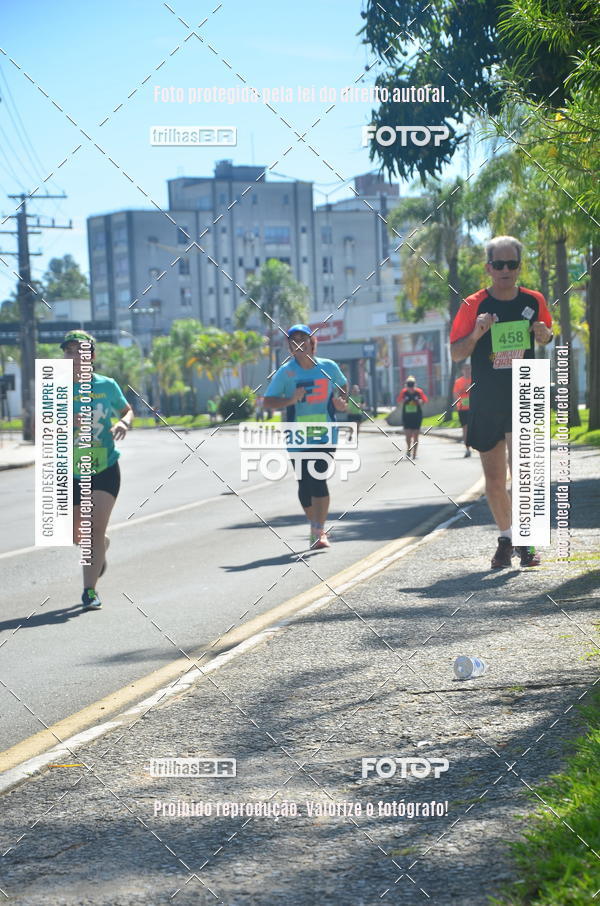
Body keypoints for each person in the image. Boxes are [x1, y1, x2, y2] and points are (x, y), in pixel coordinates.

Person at [449, 235, 553, 569]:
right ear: (488, 267)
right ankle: (507, 539)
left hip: (526, 392)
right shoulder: (472, 304)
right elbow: (455, 353)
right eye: (499, 264)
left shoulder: (534, 300)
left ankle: (529, 543)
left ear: (519, 266)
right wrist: (478, 333)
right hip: (487, 396)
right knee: (494, 479)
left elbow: (548, 333)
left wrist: (545, 335)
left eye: (512, 264)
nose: (505, 270)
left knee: (524, 475)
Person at [62, 330, 133, 610]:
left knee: (91, 531)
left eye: (77, 351)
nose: (71, 356)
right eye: (67, 351)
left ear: (90, 356)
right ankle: (101, 544)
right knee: (75, 534)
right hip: (69, 470)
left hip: (104, 467)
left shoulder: (106, 385)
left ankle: (89, 591)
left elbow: (127, 410)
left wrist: (124, 423)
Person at [263, 323, 348, 550]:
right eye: (293, 340)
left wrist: (340, 401)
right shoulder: (286, 373)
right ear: (290, 347)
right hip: (297, 436)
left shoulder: (328, 367)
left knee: (318, 478)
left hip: (325, 434)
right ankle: (315, 525)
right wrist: (290, 400)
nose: (298, 343)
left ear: (312, 343)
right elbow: (268, 401)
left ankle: (318, 531)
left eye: (303, 339)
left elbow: (343, 384)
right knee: (304, 484)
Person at [397, 376, 428, 460]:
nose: (410, 387)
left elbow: (425, 400)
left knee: (416, 435)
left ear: (415, 384)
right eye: (409, 385)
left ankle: (414, 454)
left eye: (412, 384)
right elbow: (399, 400)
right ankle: (408, 449)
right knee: (408, 435)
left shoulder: (419, 392)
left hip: (416, 416)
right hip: (407, 416)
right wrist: (404, 400)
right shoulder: (404, 392)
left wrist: (419, 401)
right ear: (406, 385)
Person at [452, 364, 472, 457]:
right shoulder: (458, 381)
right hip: (463, 408)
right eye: (465, 369)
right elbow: (456, 395)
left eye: (469, 368)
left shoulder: (474, 379)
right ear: (462, 370)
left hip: (474, 408)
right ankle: (467, 449)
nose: (467, 370)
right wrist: (462, 391)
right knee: (465, 429)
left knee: (476, 427)